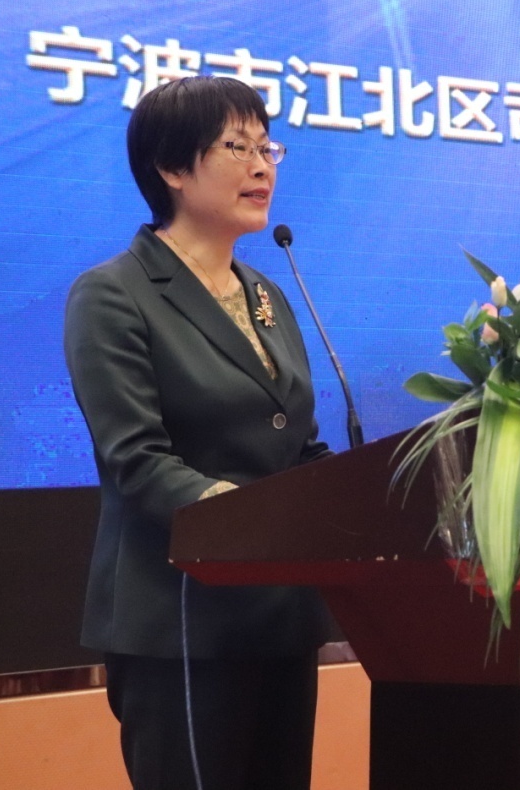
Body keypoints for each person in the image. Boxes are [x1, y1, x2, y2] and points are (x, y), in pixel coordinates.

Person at [64, 76, 330, 790]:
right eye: (237, 147)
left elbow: (297, 445)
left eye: (267, 147)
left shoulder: (268, 294)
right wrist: (256, 521)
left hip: (281, 616)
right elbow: (136, 459)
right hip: (181, 618)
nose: (262, 166)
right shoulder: (113, 294)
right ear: (172, 168)